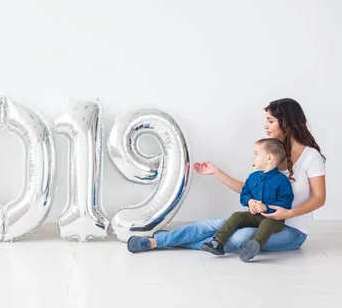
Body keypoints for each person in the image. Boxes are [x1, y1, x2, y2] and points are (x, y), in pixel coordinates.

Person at [127, 98, 326, 254]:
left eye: (270, 121)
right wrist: (216, 172)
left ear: (287, 123)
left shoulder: (310, 156)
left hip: (291, 230)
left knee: (240, 239)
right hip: (258, 217)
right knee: (214, 225)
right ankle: (155, 242)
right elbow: (249, 189)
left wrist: (288, 214)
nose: (266, 126)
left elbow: (319, 198)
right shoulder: (272, 154)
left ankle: (175, 240)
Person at [200, 138, 293, 262]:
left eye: (256, 154)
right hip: (255, 215)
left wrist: (266, 207)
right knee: (237, 216)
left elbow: (285, 203)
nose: (252, 158)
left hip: (274, 218)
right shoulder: (253, 177)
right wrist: (249, 201)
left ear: (269, 158)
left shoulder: (282, 180)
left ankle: (253, 246)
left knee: (267, 223)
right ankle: (218, 242)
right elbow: (245, 193)